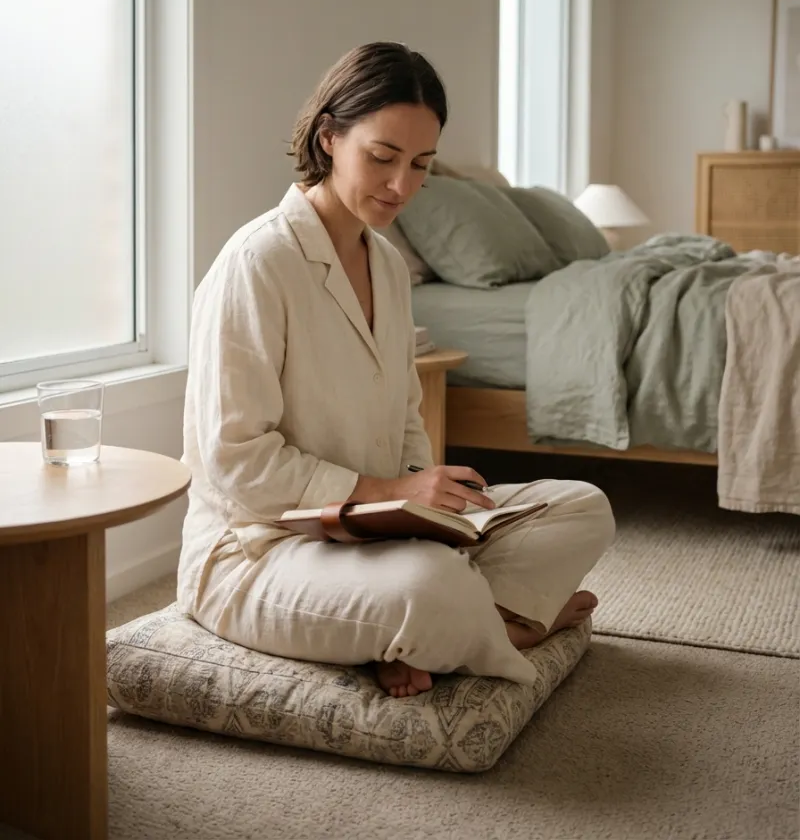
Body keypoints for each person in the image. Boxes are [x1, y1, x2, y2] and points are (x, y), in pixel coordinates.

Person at [177, 42, 615, 697]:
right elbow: (235, 465)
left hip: (375, 534)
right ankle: (512, 628)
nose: (401, 186)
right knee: (427, 587)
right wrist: (392, 492)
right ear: (329, 137)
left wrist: (427, 512)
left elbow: (406, 417)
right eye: (382, 158)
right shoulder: (258, 263)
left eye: (421, 165)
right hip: (260, 551)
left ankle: (435, 631)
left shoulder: (386, 264)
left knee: (582, 506)